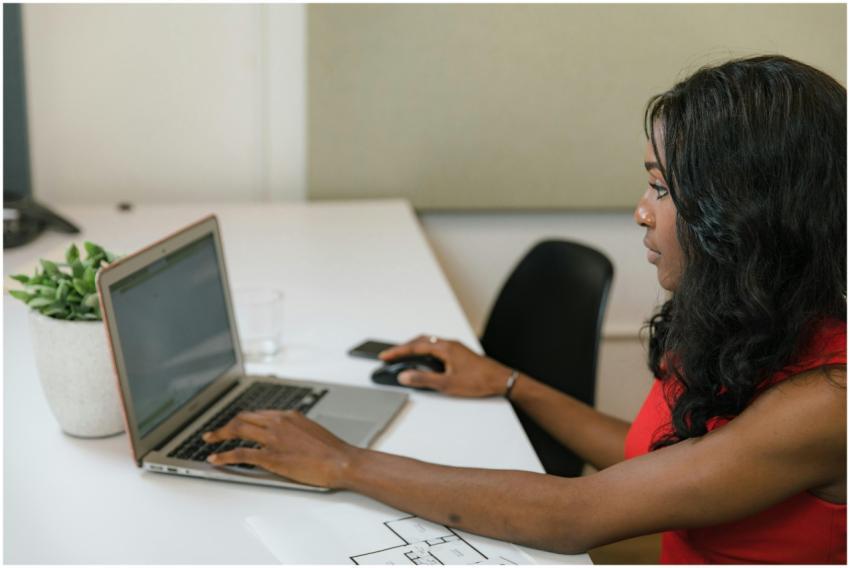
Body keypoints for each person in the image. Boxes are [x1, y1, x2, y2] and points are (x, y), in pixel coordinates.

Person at [203, 55, 846, 563]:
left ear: (745, 216)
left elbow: (576, 516)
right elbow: (653, 460)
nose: (642, 211)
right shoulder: (753, 320)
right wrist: (511, 384)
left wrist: (345, 462)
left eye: (660, 188)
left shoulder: (827, 400)